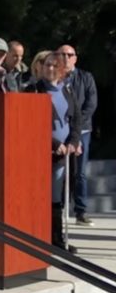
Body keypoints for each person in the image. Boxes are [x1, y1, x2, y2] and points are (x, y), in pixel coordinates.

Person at [32, 51, 82, 252]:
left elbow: (76, 118)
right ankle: (43, 237)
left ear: (61, 70)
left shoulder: (66, 90)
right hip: (44, 152)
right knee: (45, 196)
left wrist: (74, 140)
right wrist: (53, 143)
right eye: (47, 65)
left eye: (54, 66)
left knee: (58, 196)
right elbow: (32, 123)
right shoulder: (34, 90)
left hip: (65, 155)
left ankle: (58, 238)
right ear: (41, 67)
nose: (50, 69)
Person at [56, 44, 97, 226]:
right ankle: (59, 208)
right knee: (61, 171)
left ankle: (81, 211)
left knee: (79, 171)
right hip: (60, 130)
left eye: (69, 54)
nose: (65, 57)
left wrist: (77, 127)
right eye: (62, 54)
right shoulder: (54, 77)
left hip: (82, 130)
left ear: (75, 58)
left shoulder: (85, 77)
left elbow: (91, 103)